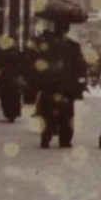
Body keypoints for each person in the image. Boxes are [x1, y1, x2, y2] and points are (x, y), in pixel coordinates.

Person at [33, 18, 88, 148]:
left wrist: (39, 81)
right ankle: (65, 140)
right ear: (67, 30)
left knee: (47, 113)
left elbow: (39, 63)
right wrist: (80, 85)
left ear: (55, 29)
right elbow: (80, 67)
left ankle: (45, 138)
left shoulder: (46, 44)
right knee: (67, 114)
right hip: (66, 86)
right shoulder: (73, 46)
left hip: (49, 85)